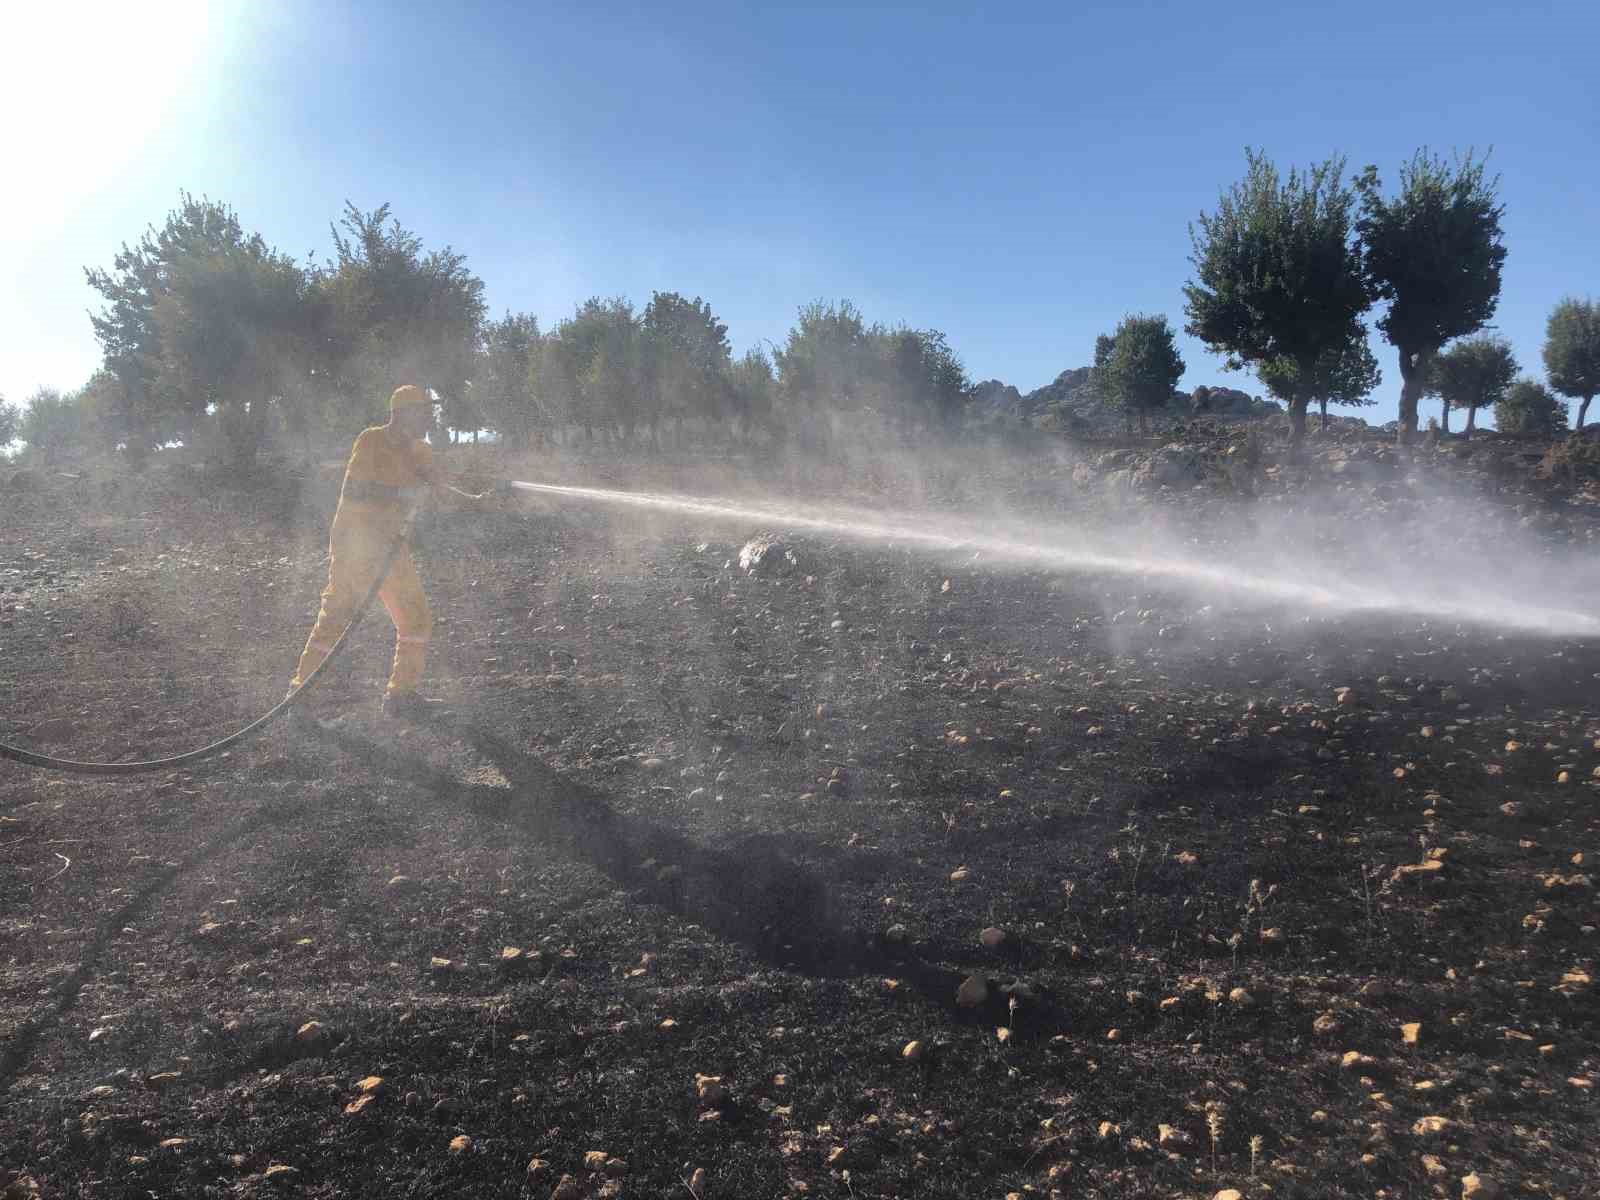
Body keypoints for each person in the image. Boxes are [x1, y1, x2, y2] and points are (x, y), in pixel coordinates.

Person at [288, 384, 488, 722]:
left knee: (415, 618)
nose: (431, 417)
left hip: (390, 549)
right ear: (403, 414)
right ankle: (300, 698)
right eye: (425, 410)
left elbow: (439, 490)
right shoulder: (371, 441)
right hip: (354, 543)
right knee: (336, 617)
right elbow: (357, 488)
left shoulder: (421, 452)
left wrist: (478, 502)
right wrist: (404, 494)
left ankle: (401, 696)